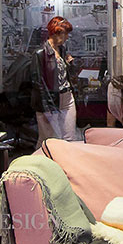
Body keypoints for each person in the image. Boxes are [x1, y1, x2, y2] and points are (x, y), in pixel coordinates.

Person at [31, 16, 79, 148]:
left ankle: (66, 160)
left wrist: (70, 65)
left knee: (70, 137)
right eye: (65, 34)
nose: (67, 37)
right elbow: (38, 83)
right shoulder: (40, 53)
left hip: (66, 97)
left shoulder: (62, 50)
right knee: (48, 140)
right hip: (50, 100)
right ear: (55, 33)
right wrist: (47, 108)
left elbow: (65, 75)